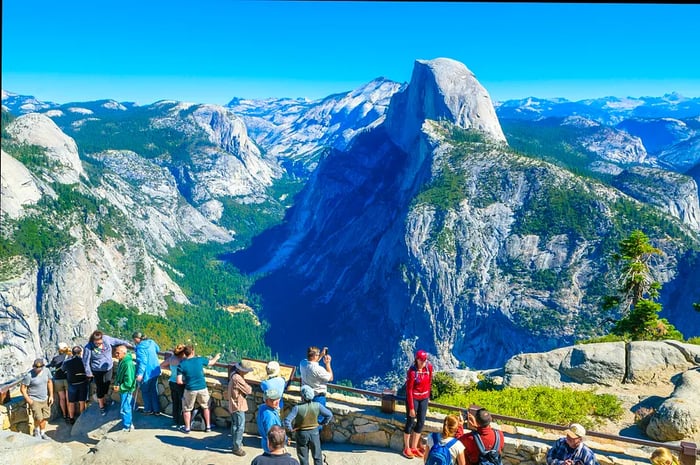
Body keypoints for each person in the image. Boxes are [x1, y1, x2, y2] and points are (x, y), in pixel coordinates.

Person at [82, 330, 131, 415]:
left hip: (108, 368)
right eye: (96, 343)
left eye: (100, 342)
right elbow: (85, 361)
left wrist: (126, 343)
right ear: (93, 341)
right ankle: (101, 406)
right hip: (97, 370)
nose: (98, 344)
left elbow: (116, 341)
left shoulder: (106, 339)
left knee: (107, 384)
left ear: (102, 338)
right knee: (100, 388)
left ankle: (103, 400)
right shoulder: (88, 347)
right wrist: (88, 373)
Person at [284, 385, 333, 465]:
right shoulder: (318, 405)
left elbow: (287, 420)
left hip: (301, 433)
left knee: (303, 457)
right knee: (317, 456)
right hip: (314, 432)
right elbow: (329, 415)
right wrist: (322, 423)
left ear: (302, 396)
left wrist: (290, 429)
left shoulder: (297, 408)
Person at [176, 344, 220, 433]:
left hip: (190, 389)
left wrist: (187, 382)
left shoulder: (181, 365)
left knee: (187, 409)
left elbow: (179, 381)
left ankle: (187, 428)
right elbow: (211, 362)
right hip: (202, 387)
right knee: (206, 407)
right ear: (192, 351)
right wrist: (216, 357)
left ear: (185, 353)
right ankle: (208, 427)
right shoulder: (199, 360)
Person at [403, 349, 433, 459]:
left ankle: (414, 447)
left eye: (425, 360)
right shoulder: (412, 371)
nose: (423, 363)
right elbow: (409, 390)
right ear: (417, 359)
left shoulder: (428, 368)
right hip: (414, 398)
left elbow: (429, 382)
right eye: (421, 360)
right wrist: (411, 407)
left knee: (421, 422)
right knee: (410, 422)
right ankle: (407, 448)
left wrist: (428, 397)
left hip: (424, 398)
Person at [299, 346, 333, 430]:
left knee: (306, 418)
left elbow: (311, 363)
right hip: (318, 397)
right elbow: (330, 378)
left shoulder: (302, 363)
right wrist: (328, 363)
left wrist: (321, 355)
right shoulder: (319, 369)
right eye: (317, 355)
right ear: (314, 356)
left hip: (306, 396)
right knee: (317, 420)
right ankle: (315, 440)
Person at [20, 358, 54, 440]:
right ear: (33, 367)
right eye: (36, 368)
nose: (37, 369)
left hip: (45, 398)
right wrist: (28, 399)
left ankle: (42, 433)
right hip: (34, 399)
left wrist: (51, 395)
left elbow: (49, 382)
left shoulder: (46, 371)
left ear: (43, 367)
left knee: (45, 417)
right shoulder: (29, 375)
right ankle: (36, 432)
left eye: (39, 368)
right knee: (38, 417)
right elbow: (22, 388)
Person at [227, 359, 253, 456]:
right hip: (238, 405)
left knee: (234, 425)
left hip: (233, 404)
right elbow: (248, 390)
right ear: (242, 370)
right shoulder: (238, 378)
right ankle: (237, 447)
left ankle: (235, 443)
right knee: (240, 426)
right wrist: (249, 386)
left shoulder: (233, 373)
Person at [132, 331, 161, 415]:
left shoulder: (140, 348)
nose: (134, 341)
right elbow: (157, 349)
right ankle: (156, 410)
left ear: (137, 339)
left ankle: (148, 409)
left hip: (146, 373)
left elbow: (143, 362)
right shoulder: (151, 342)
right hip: (155, 371)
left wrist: (140, 374)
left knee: (145, 391)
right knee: (153, 390)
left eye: (134, 339)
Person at [160, 343, 186, 427]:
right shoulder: (182, 361)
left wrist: (171, 368)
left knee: (175, 402)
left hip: (172, 382)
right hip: (180, 383)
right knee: (181, 402)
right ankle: (180, 421)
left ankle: (175, 419)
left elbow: (161, 365)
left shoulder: (171, 359)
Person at [62, 345, 89, 424]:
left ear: (72, 353)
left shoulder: (67, 362)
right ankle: (82, 418)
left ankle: (71, 418)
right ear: (80, 353)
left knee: (71, 402)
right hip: (83, 383)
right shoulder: (84, 361)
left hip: (72, 384)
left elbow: (63, 369)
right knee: (82, 401)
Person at [113, 345, 136, 432]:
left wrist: (120, 388)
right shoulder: (122, 360)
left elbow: (129, 382)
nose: (116, 354)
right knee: (127, 404)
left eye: (118, 353)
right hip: (123, 388)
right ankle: (128, 424)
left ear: (124, 353)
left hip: (126, 389)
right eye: (116, 352)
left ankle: (128, 426)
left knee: (125, 408)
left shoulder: (127, 364)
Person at [47, 342, 71, 423]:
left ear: (58, 350)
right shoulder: (70, 357)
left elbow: (52, 365)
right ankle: (69, 415)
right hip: (67, 379)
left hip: (58, 380)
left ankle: (64, 415)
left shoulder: (56, 358)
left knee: (62, 398)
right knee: (68, 398)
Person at [257, 388, 283, 453]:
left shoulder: (263, 407)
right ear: (266, 401)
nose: (277, 402)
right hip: (272, 446)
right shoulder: (269, 416)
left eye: (278, 398)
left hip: (265, 442)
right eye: (273, 400)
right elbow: (272, 436)